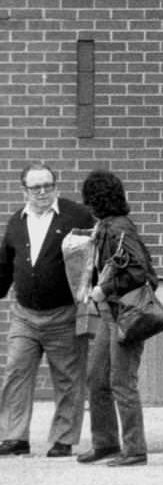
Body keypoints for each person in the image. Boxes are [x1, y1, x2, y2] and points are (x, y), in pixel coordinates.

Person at [0, 162, 93, 459]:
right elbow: (6, 265)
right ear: (24, 190)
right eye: (35, 187)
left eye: (47, 185)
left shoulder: (76, 215)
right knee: (16, 373)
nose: (42, 192)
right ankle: (15, 437)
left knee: (68, 378)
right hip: (24, 315)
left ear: (56, 186)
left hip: (64, 314)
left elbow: (96, 253)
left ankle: (63, 439)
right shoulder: (16, 221)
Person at [77, 169, 155, 467]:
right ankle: (106, 443)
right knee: (97, 378)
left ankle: (135, 450)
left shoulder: (118, 229)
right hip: (113, 313)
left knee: (121, 382)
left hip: (125, 315)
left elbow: (138, 272)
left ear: (94, 200)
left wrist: (103, 289)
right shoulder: (109, 226)